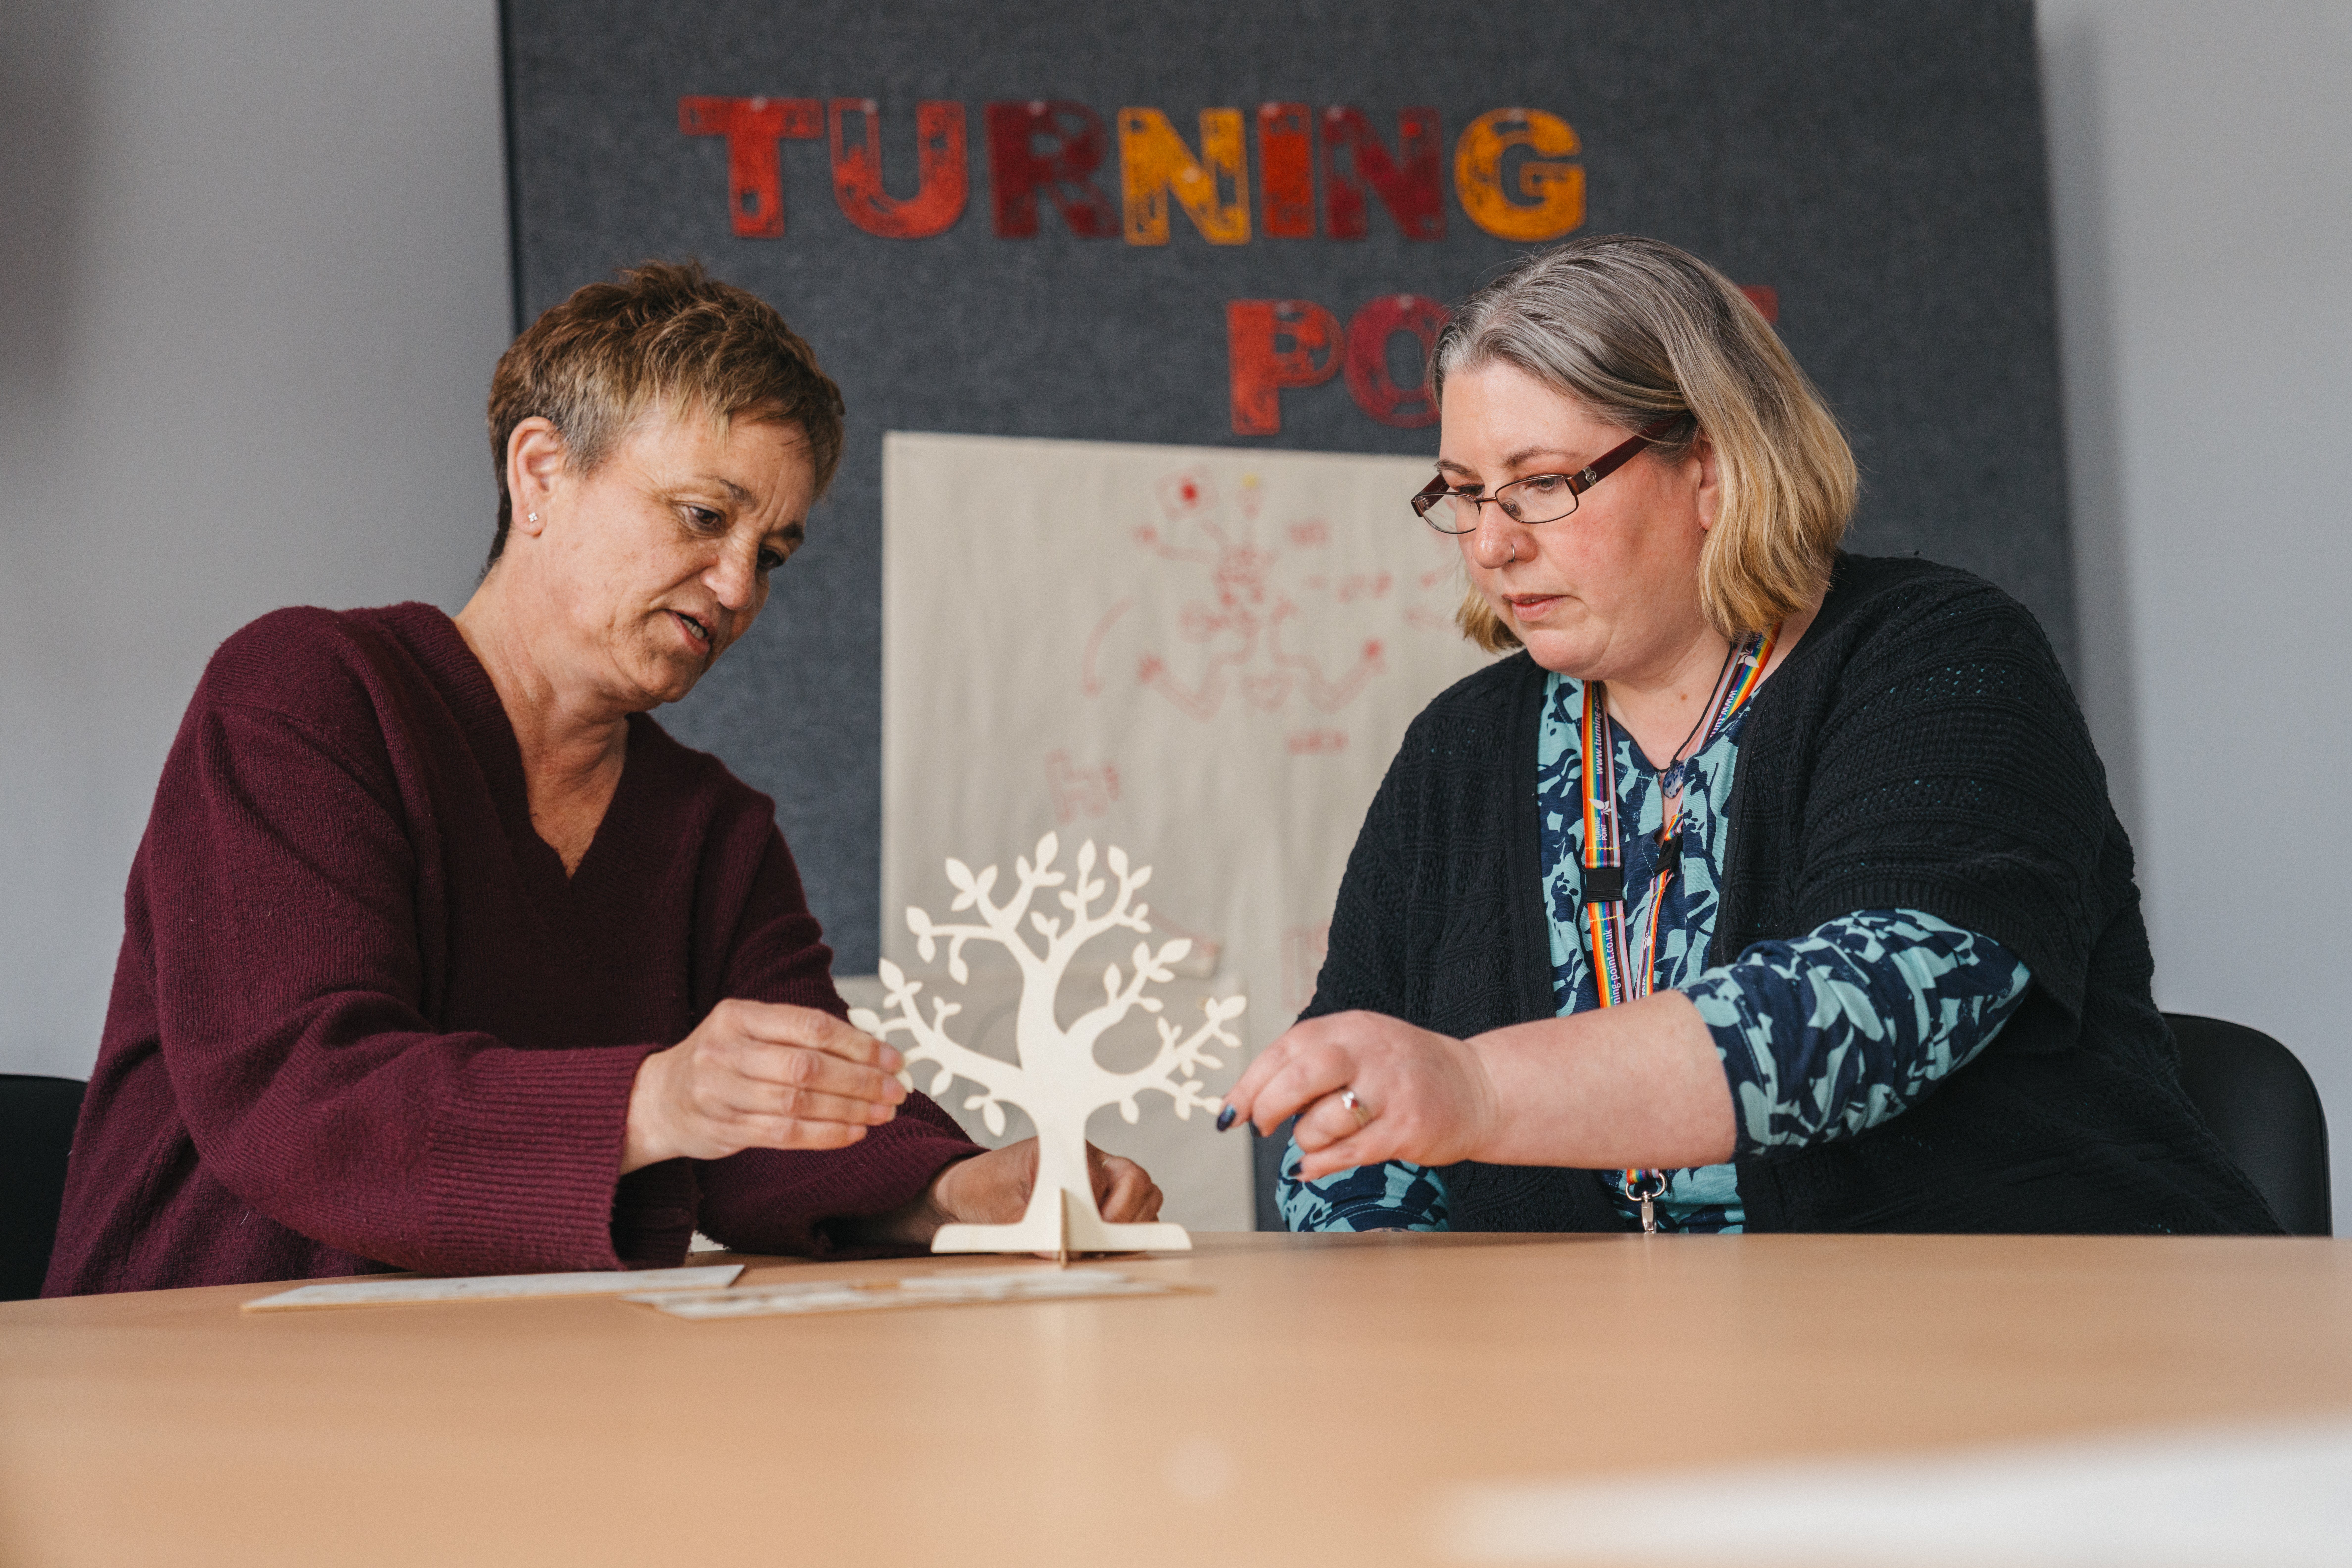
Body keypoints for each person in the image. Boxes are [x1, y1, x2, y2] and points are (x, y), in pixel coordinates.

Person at [47, 261, 1160, 1296]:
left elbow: (787, 1128)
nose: (738, 588)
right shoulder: (304, 694)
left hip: (526, 1387)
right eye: (704, 516)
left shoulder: (713, 829)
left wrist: (962, 1189)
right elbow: (301, 1097)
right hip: (200, 1365)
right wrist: (656, 1099)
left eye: (770, 553)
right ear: (541, 472)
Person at [1219, 235, 2276, 1236]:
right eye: (1463, 494)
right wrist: (1386, 1288)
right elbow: (1349, 1110)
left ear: (1712, 470)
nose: (1491, 544)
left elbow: (1873, 1008)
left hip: (2031, 1331)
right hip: (1597, 1356)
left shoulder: (1939, 654)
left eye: (1541, 485)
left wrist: (1478, 1090)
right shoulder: (1456, 749)